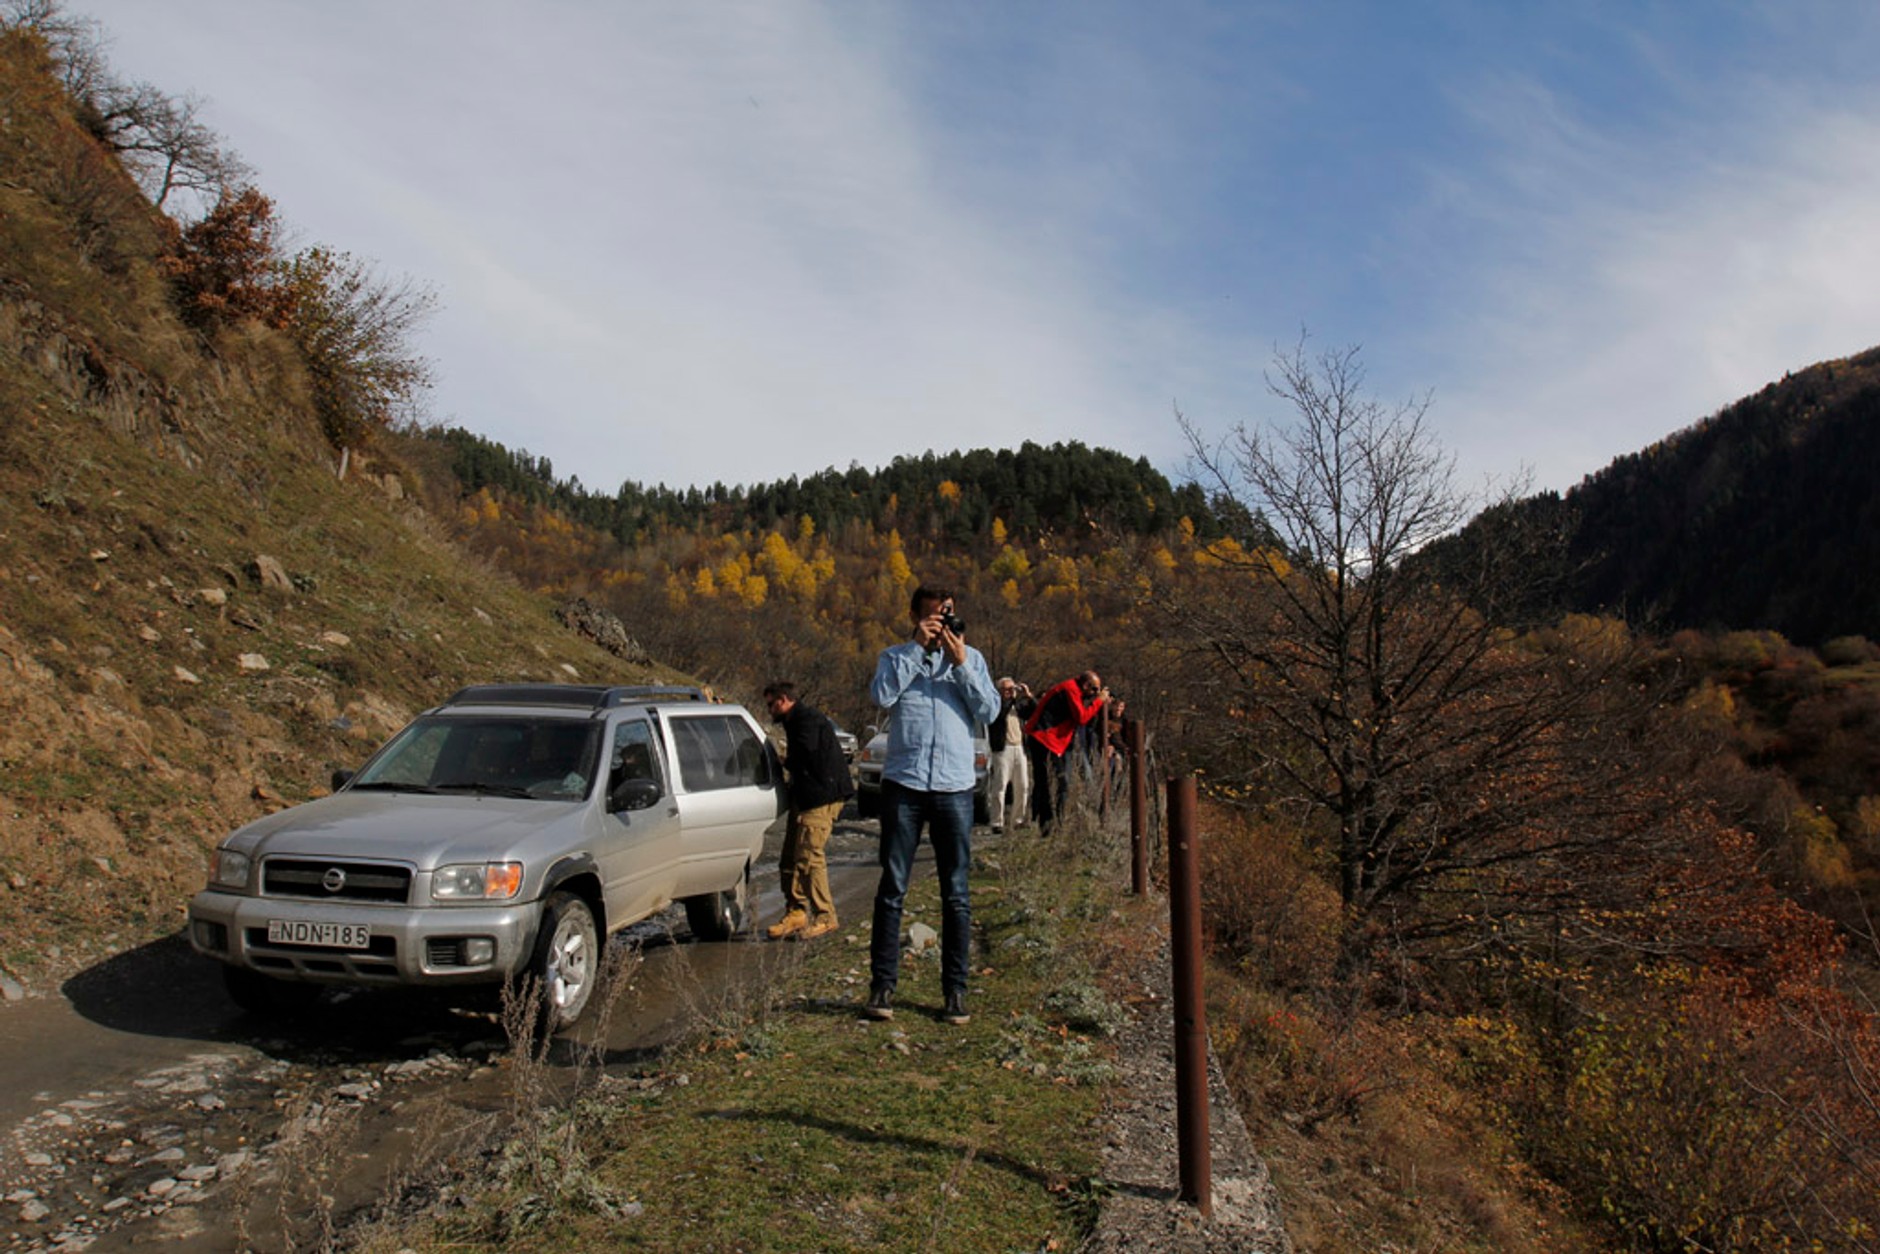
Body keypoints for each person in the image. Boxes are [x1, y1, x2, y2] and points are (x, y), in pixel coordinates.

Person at [864, 584, 1001, 1025]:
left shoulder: (971, 658)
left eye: (948, 616)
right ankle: (882, 987)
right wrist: (917, 650)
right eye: (934, 617)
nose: (943, 625)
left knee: (956, 894)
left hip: (954, 786)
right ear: (916, 616)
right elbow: (882, 697)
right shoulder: (895, 656)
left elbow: (990, 710)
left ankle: (955, 992)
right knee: (892, 889)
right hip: (904, 783)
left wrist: (960, 664)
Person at [762, 681, 855, 941]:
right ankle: (796, 912)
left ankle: (825, 916)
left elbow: (807, 754)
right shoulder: (796, 720)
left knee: (810, 857)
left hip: (820, 798)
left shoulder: (807, 719)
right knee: (790, 859)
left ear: (783, 700)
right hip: (805, 798)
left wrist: (784, 760)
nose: (769, 710)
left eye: (771, 704)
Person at [1024, 670, 1114, 831]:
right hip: (1045, 738)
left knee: (1055, 782)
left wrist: (1096, 700)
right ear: (1086, 685)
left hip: (1052, 740)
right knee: (1053, 782)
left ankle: (1051, 822)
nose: (1096, 693)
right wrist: (1099, 701)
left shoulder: (1073, 689)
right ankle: (1050, 823)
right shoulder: (1070, 689)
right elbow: (1082, 717)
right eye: (1094, 689)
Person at [986, 677, 1035, 832]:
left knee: (1023, 785)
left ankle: (1018, 820)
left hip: (1019, 747)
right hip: (1003, 749)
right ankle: (997, 822)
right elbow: (999, 716)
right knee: (1000, 786)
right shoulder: (995, 705)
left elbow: (1034, 712)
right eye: (1006, 689)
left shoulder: (1018, 707)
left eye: (1011, 689)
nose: (1009, 692)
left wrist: (1028, 696)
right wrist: (1012, 700)